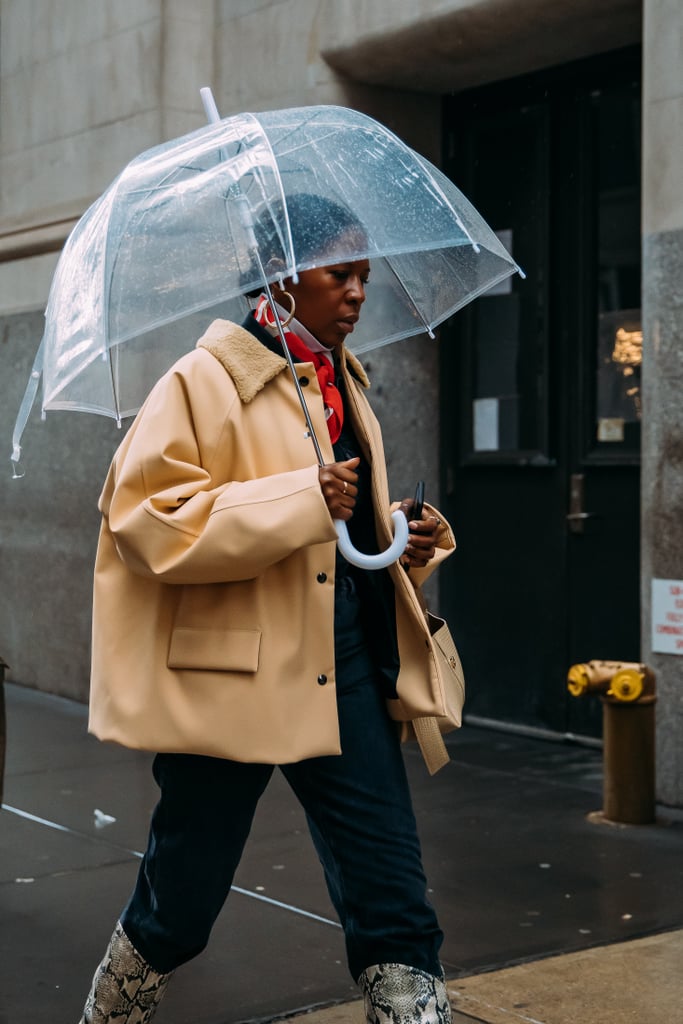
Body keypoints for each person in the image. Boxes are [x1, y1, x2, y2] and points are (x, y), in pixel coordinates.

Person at [78, 194, 456, 1024]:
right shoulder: (202, 379)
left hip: (344, 668)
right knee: (180, 896)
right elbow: (148, 521)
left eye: (362, 275)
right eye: (339, 274)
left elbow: (339, 537)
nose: (358, 293)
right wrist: (300, 496)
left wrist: (401, 540)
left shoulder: (339, 375)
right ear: (282, 276)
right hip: (233, 677)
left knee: (393, 896)